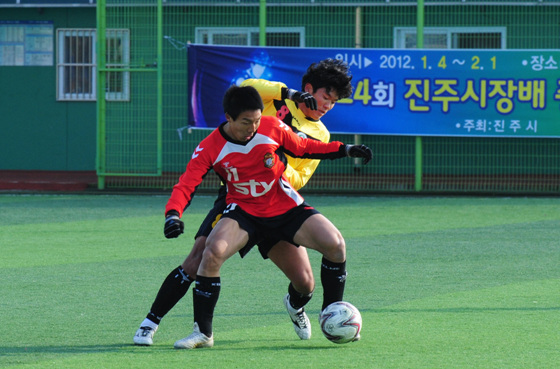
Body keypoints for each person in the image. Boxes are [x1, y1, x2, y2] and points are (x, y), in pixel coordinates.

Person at [134, 59, 354, 346]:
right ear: (309, 89)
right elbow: (244, 88)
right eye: (326, 97)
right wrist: (288, 93)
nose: (327, 105)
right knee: (200, 257)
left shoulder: (320, 133)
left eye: (334, 102)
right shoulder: (271, 105)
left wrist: (274, 164)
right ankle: (152, 323)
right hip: (236, 198)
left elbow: (300, 176)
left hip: (277, 198)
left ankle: (297, 306)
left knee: (305, 283)